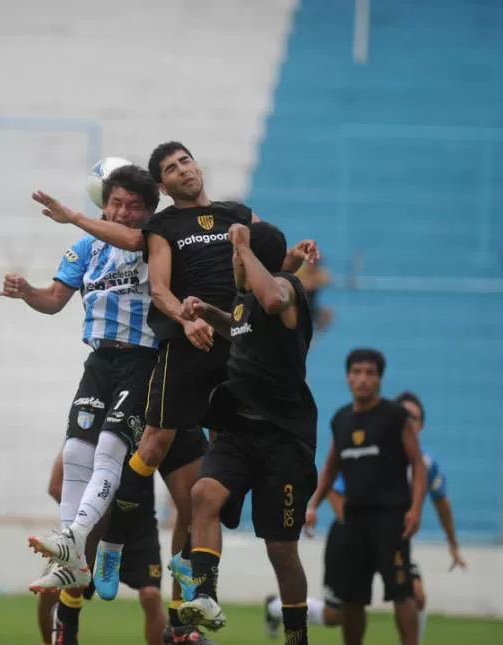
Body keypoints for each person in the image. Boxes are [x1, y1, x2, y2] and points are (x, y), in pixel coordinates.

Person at [33, 143, 315, 631]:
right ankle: (97, 559)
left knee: (200, 496)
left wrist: (284, 260)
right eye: (170, 168)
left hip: (233, 345)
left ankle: (189, 612)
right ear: (160, 188)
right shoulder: (157, 231)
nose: (183, 169)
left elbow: (264, 255)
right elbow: (152, 282)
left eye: (185, 160)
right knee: (139, 451)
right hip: (176, 349)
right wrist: (184, 317)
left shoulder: (235, 215)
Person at [1, 165, 161, 593]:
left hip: (142, 360)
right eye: (116, 203)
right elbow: (53, 300)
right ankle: (72, 557)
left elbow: (133, 239)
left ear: (148, 211)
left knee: (110, 446)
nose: (123, 213)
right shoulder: (85, 249)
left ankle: (76, 537)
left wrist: (72, 215)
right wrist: (26, 291)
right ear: (104, 203)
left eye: (133, 206)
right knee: (76, 451)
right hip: (100, 361)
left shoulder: (153, 241)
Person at [170, 223, 319, 645]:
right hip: (237, 430)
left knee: (281, 551)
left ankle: (296, 637)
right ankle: (205, 595)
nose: (232, 264)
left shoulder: (285, 290)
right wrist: (207, 313)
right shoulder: (244, 300)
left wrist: (242, 244)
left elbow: (273, 297)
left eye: (236, 258)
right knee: (204, 495)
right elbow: (239, 330)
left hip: (283, 440)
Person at [264, 391, 467, 644]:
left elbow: (442, 503)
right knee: (335, 614)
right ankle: (274, 607)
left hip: (391, 536)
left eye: (413, 417)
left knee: (414, 593)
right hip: (350, 537)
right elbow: (334, 488)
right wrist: (350, 523)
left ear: (421, 425)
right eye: (404, 415)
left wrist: (453, 545)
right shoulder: (364, 451)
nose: (408, 421)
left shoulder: (424, 463)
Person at [304, 349, 428, 645]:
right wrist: (313, 505)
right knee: (351, 599)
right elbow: (331, 467)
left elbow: (418, 465)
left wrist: (416, 509)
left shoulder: (395, 417)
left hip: (391, 519)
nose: (363, 379)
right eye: (357, 372)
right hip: (353, 520)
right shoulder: (341, 419)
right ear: (348, 377)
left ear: (380, 379)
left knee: (402, 592)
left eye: (370, 373)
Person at [37, 448, 171, 645]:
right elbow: (55, 486)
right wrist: (85, 518)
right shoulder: (87, 431)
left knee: (151, 596)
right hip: (94, 527)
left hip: (137, 526)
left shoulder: (144, 427)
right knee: (50, 590)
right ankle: (49, 642)